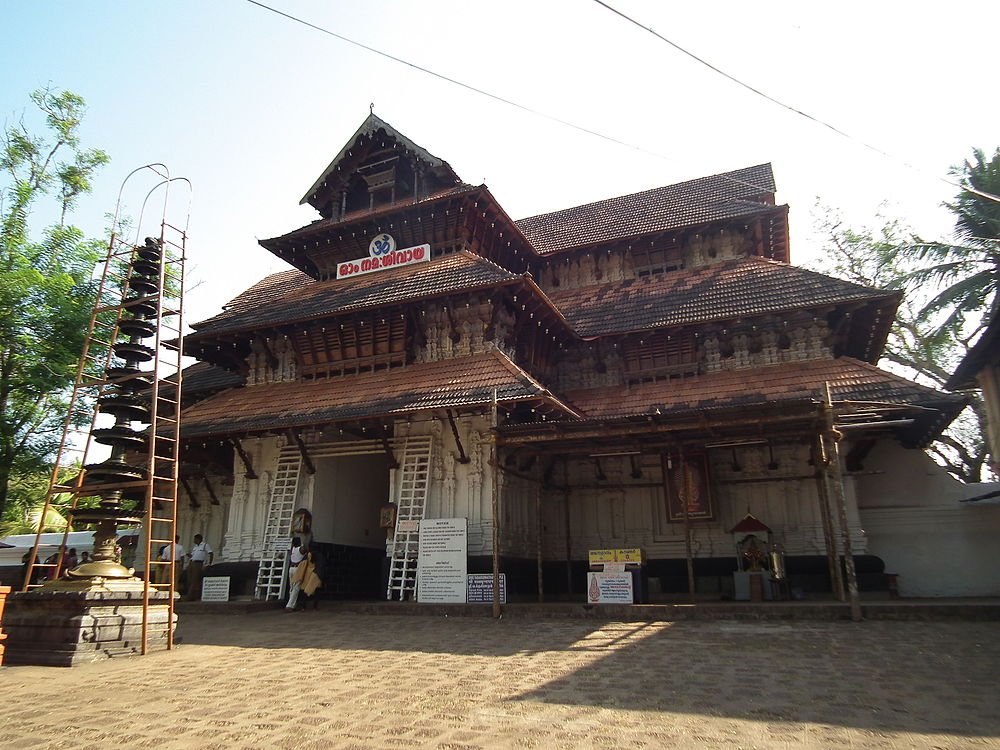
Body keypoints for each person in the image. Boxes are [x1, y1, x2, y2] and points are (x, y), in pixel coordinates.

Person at [186, 534, 213, 601]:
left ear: (198, 539)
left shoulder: (205, 545)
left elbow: (211, 553)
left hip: (198, 563)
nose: (194, 540)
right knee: (190, 579)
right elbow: (193, 555)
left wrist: (208, 563)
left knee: (194, 580)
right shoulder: (195, 547)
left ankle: (190, 597)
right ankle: (192, 595)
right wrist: (189, 555)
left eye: (195, 539)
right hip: (192, 562)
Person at [285, 537, 307, 612]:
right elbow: (305, 550)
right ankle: (289, 605)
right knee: (296, 587)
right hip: (297, 569)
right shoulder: (300, 549)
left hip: (291, 568)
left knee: (291, 587)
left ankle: (292, 605)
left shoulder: (292, 549)